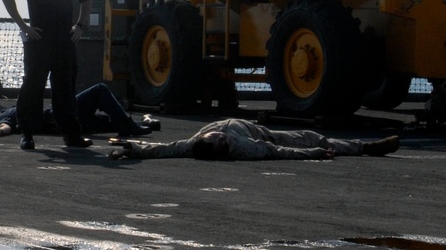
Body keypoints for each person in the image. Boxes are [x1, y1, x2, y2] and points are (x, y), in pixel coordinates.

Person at [1, 0, 93, 150]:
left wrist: (80, 26)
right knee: (33, 86)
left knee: (65, 87)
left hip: (65, 39)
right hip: (39, 38)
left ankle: (71, 135)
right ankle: (27, 133)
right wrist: (23, 26)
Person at [107, 117, 401, 160]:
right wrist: (312, 153)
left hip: (249, 124)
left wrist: (130, 146)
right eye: (217, 138)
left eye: (212, 135)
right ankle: (367, 148)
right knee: (313, 137)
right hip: (261, 131)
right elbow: (278, 150)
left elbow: (163, 149)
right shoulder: (240, 146)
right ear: (222, 145)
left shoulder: (194, 142)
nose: (216, 134)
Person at [0, 83, 154, 139]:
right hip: (61, 114)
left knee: (111, 123)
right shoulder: (1, 118)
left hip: (65, 121)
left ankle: (143, 123)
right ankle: (131, 125)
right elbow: (6, 126)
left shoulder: (1, 114)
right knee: (99, 90)